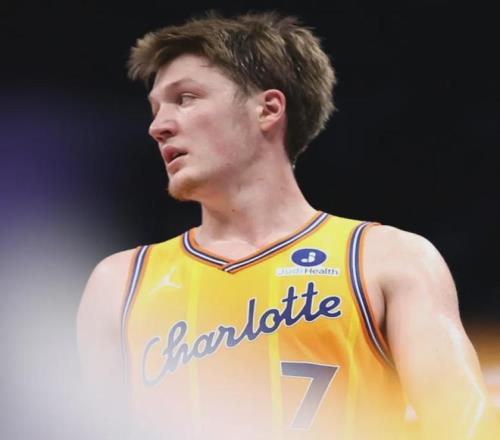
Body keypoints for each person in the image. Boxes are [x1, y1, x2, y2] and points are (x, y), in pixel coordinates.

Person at [77, 11, 498, 440]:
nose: (158, 126)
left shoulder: (386, 259)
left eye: (185, 98)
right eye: (155, 109)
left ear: (268, 109)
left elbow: (465, 425)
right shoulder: (118, 283)